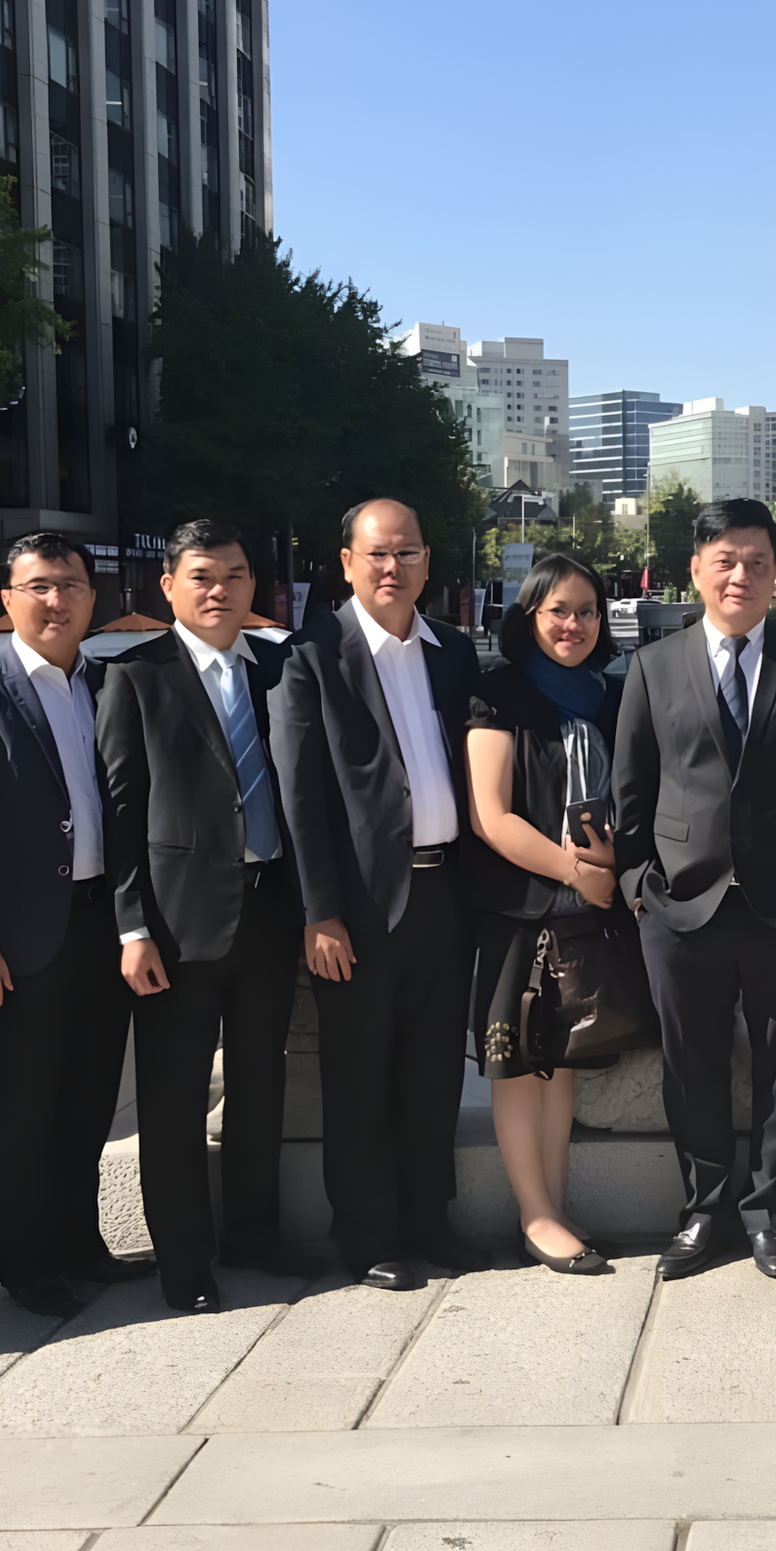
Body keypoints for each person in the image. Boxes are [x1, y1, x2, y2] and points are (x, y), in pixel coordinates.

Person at [613, 498, 776, 1281]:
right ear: (697, 569)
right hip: (682, 904)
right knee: (693, 1066)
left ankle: (770, 1214)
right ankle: (703, 1210)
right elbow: (632, 794)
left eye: (756, 560)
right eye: (725, 560)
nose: (741, 574)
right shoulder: (652, 666)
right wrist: (636, 884)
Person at [0, 532, 147, 1319]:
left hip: (97, 923)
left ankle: (78, 1240)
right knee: (23, 1110)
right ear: (8, 599)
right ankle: (25, 1262)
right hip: (15, 940)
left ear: (94, 597)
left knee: (87, 1100)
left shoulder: (107, 683)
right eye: (40, 586)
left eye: (73, 586)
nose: (58, 601)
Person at [99, 520, 316, 1316]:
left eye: (233, 573)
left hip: (267, 909)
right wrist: (130, 927)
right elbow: (118, 813)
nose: (218, 588)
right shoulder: (134, 676)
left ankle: (256, 1235)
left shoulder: (283, 667)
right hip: (174, 924)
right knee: (174, 1097)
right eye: (201, 575)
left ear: (252, 584)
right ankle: (184, 1259)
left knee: (263, 1082)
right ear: (169, 587)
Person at [272, 498, 485, 1292]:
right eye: (377, 555)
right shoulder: (312, 654)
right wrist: (317, 911)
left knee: (433, 1072)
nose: (392, 568)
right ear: (348, 562)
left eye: (407, 553)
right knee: (358, 1078)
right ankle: (366, 1236)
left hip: (445, 896)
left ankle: (431, 1219)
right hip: (358, 910)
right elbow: (299, 793)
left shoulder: (452, 651)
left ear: (428, 562)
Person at [461, 554, 625, 1275]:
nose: (574, 624)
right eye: (559, 609)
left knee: (561, 1063)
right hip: (520, 909)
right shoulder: (497, 694)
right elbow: (490, 816)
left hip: (588, 915)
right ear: (529, 615)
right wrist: (577, 873)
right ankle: (535, 1214)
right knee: (518, 1062)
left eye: (587, 610)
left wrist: (608, 878)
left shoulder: (609, 695)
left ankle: (554, 1207)